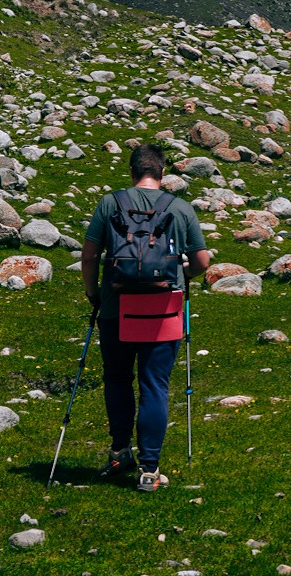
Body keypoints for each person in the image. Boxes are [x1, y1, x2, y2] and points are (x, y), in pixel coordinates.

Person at [81, 143, 210, 491]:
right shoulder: (180, 208)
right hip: (164, 309)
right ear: (163, 172)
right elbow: (202, 261)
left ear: (132, 171)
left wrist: (94, 293)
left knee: (118, 379)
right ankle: (149, 469)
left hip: (115, 307)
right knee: (155, 385)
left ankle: (120, 450)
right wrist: (184, 279)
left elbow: (90, 255)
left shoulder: (110, 203)